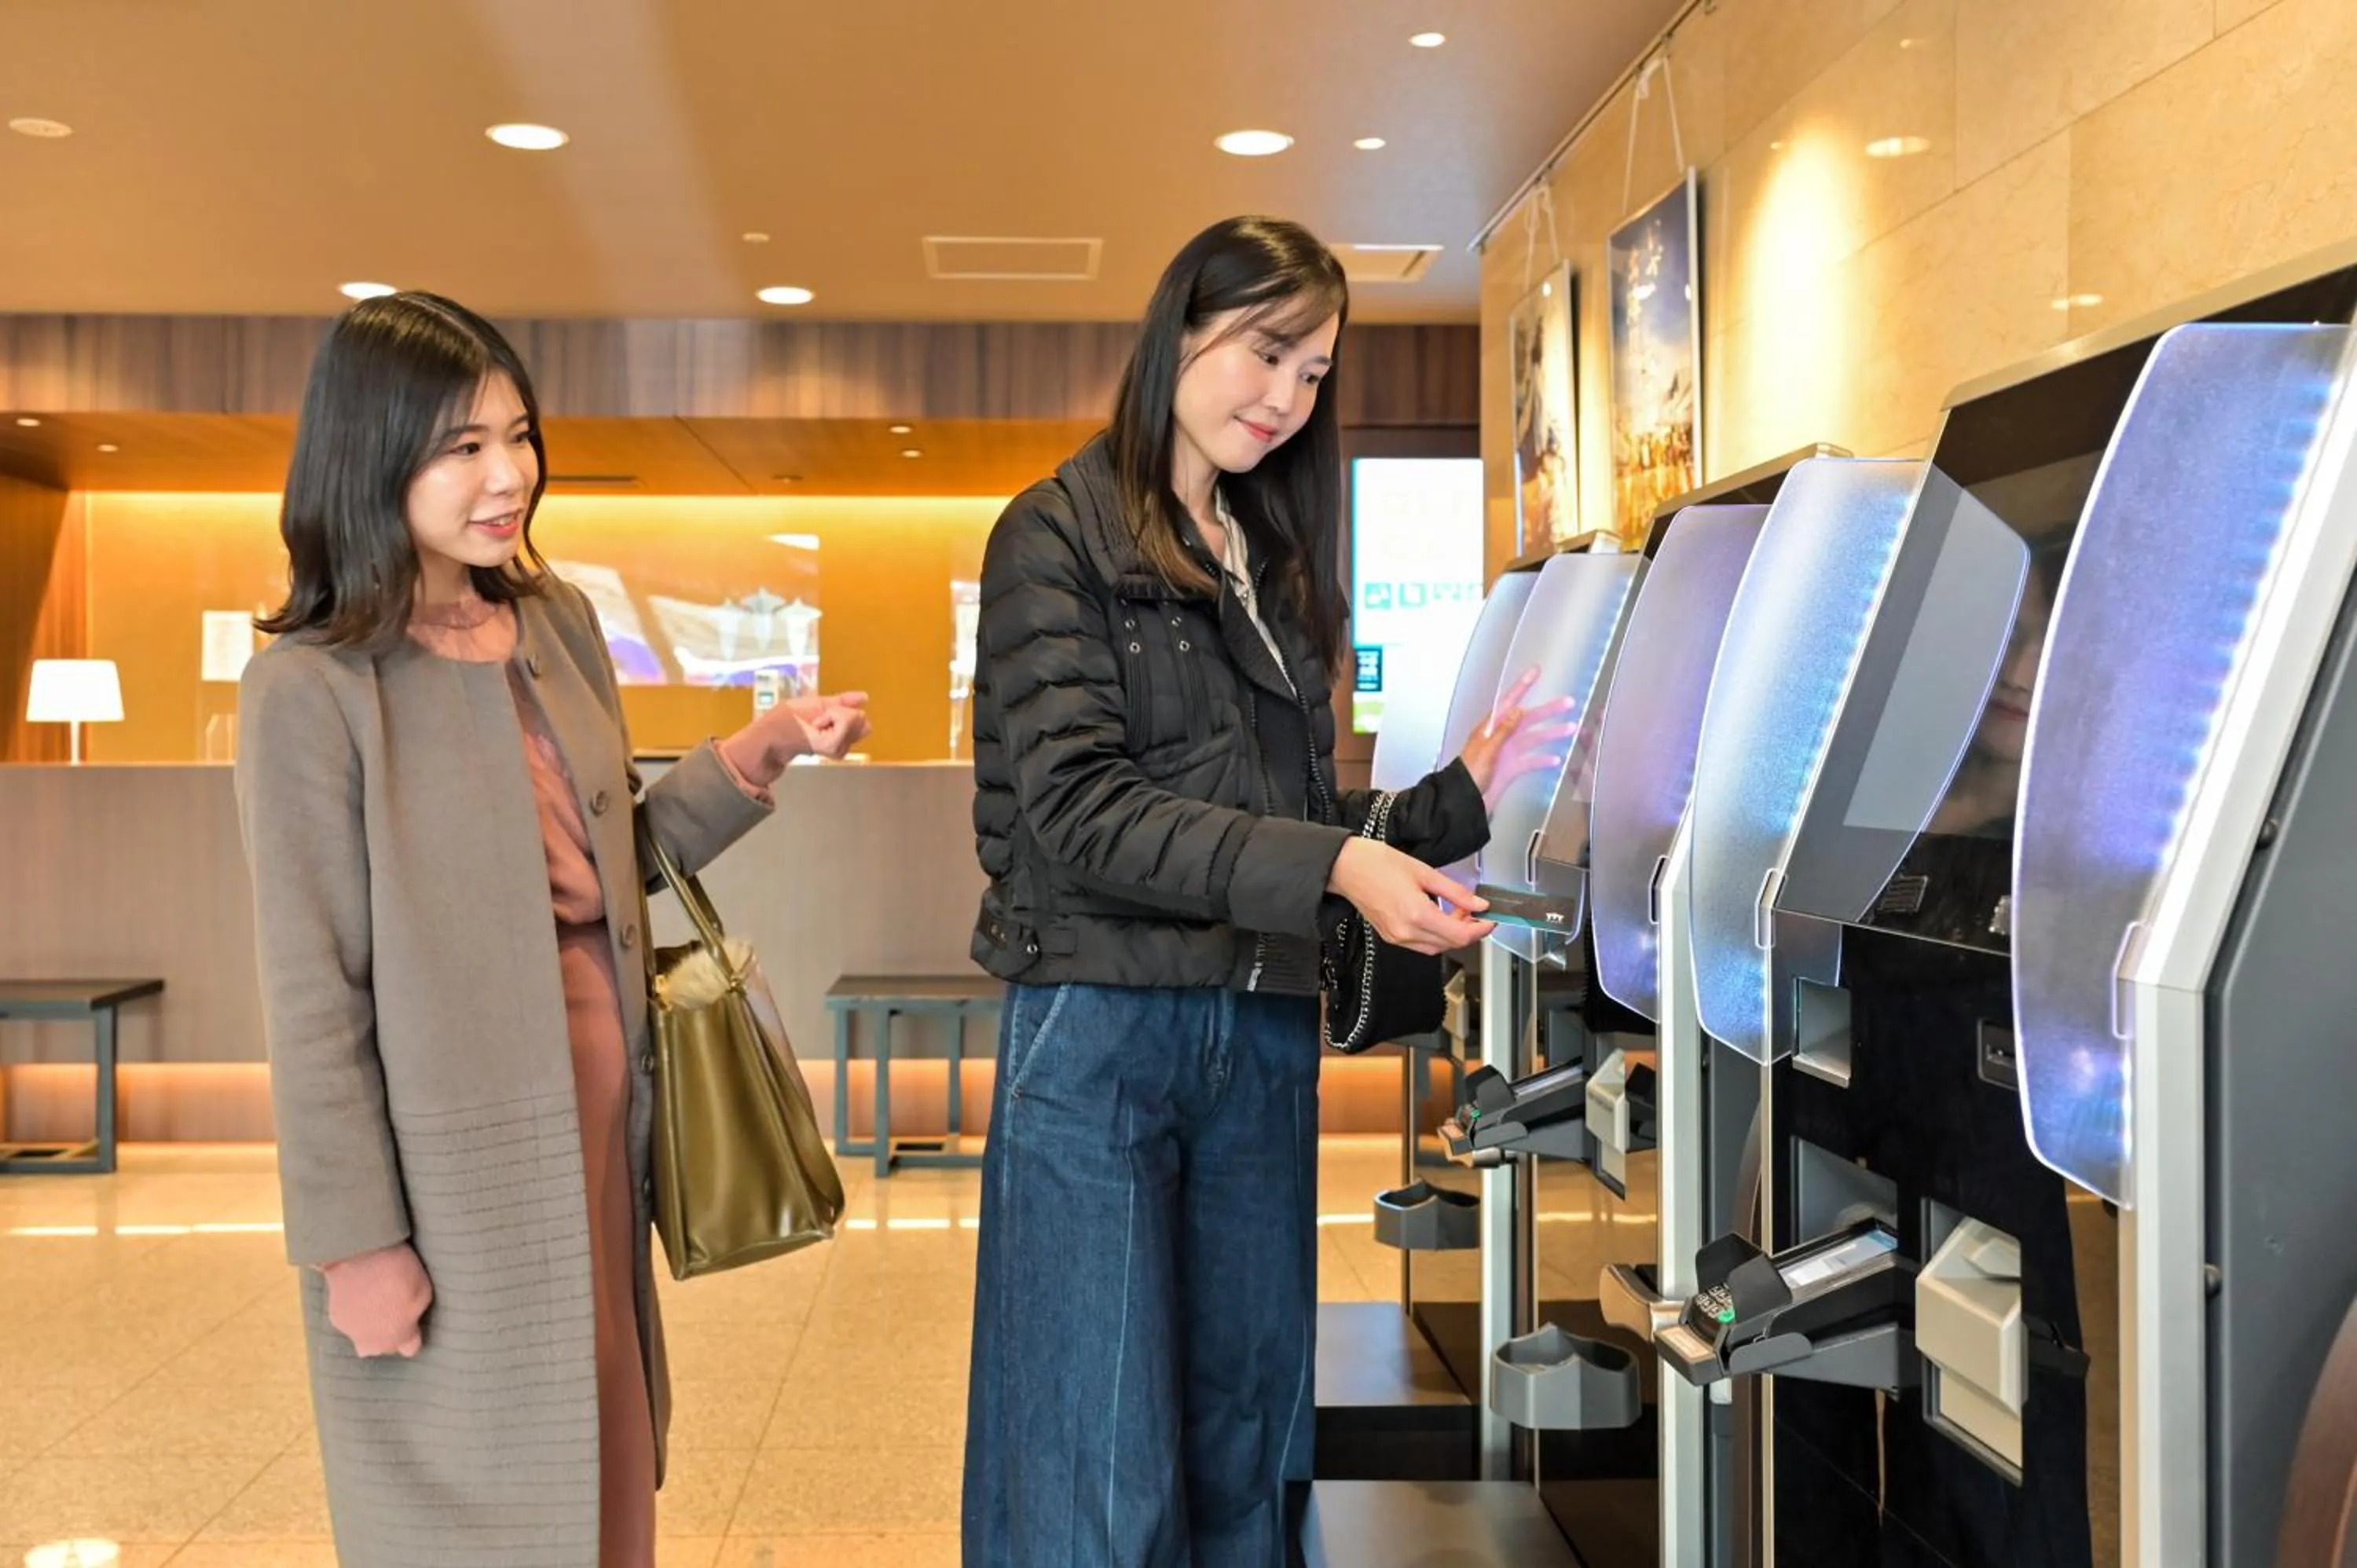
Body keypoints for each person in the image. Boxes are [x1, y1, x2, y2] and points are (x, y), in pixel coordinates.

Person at [233, 291, 869, 1568]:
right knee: (469, 1497)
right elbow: (314, 990)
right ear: (372, 454)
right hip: (449, 1157)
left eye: (517, 435)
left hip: (604, 1114)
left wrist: (758, 752)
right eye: (461, 446)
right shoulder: (309, 685)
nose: (508, 474)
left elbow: (608, 857)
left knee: (604, 1463)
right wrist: (356, 1238)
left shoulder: (557, 621)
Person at [962, 215, 1560, 1567]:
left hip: (1261, 1035)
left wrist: (1449, 799)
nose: (1285, 396)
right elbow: (1079, 816)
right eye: (1265, 351)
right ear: (1180, 328)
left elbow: (1278, 821)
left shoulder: (1267, 558)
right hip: (1102, 1033)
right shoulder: (1050, 537)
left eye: (1312, 372)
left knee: (1251, 1438)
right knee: (1092, 1458)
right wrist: (1339, 863)